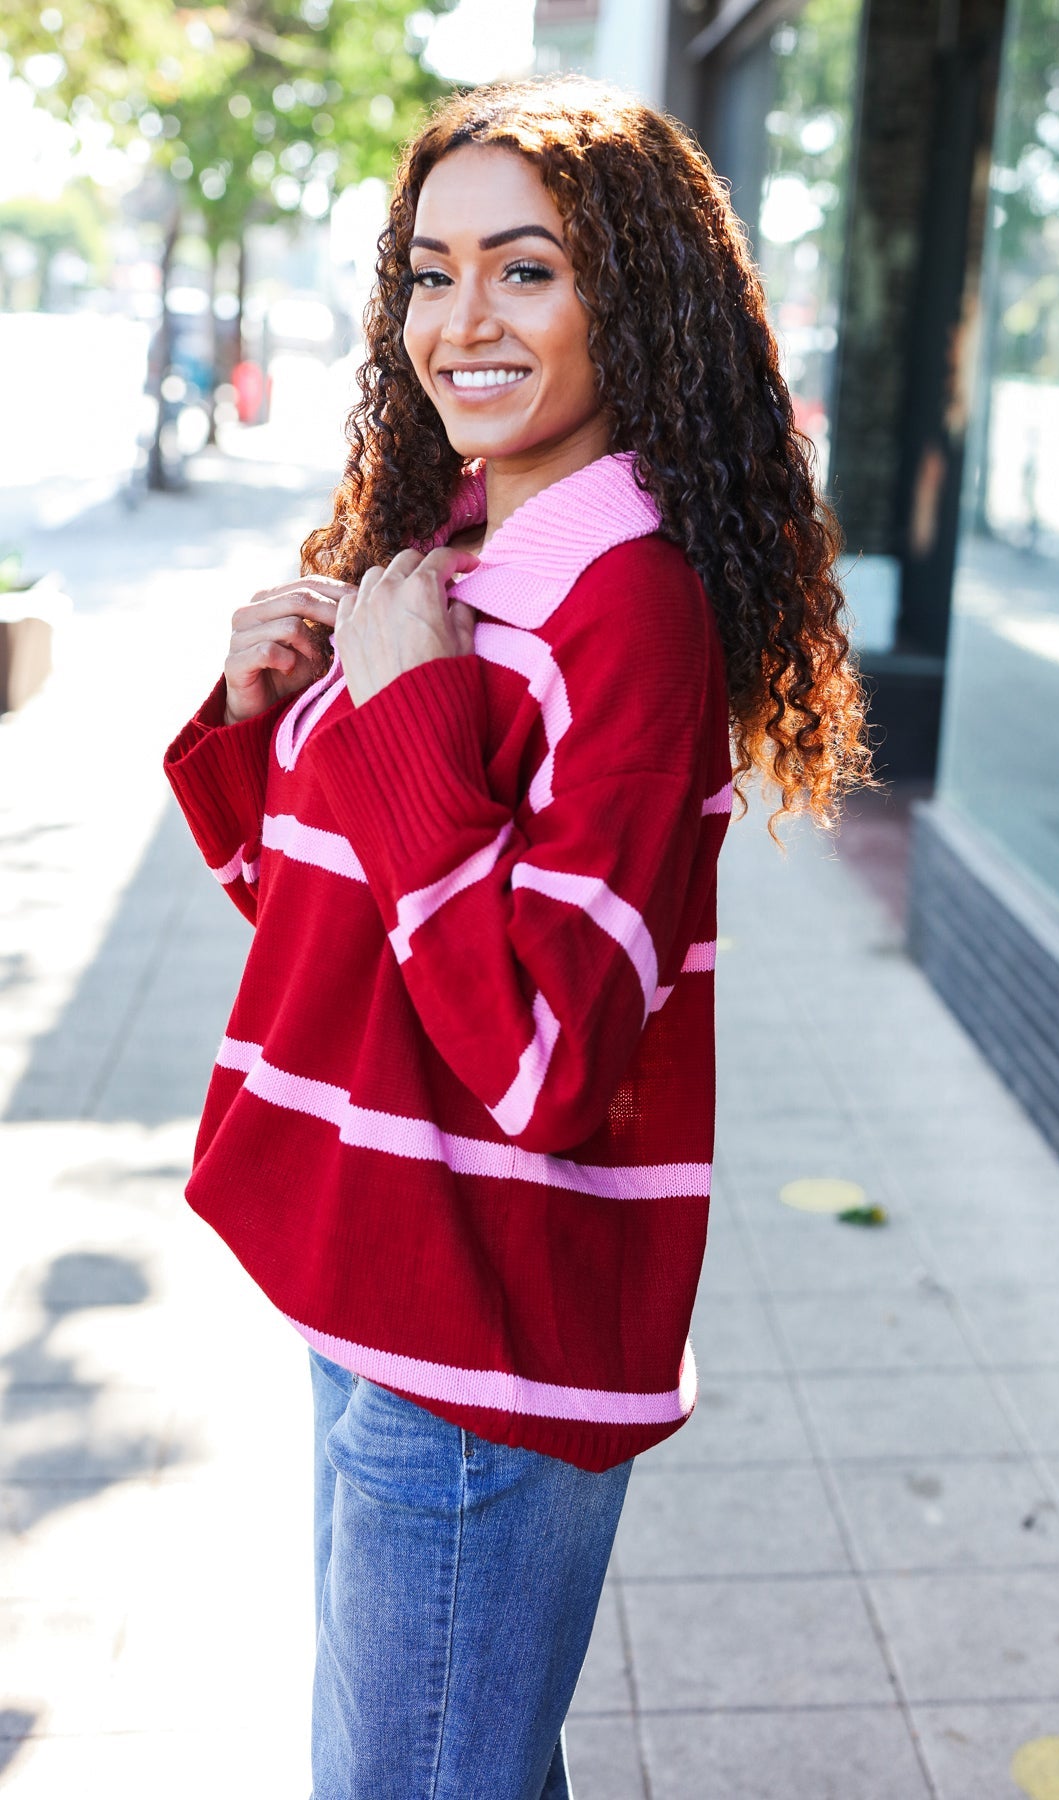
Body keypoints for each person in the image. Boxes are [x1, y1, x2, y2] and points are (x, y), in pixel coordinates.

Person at [163, 76, 873, 1800]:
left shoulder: (631, 605)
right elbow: (361, 940)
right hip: (371, 1281)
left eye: (526, 270)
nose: (459, 321)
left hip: (481, 1341)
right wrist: (266, 719)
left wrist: (407, 717)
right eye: (428, 272)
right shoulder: (456, 548)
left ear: (633, 301)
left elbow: (541, 1059)